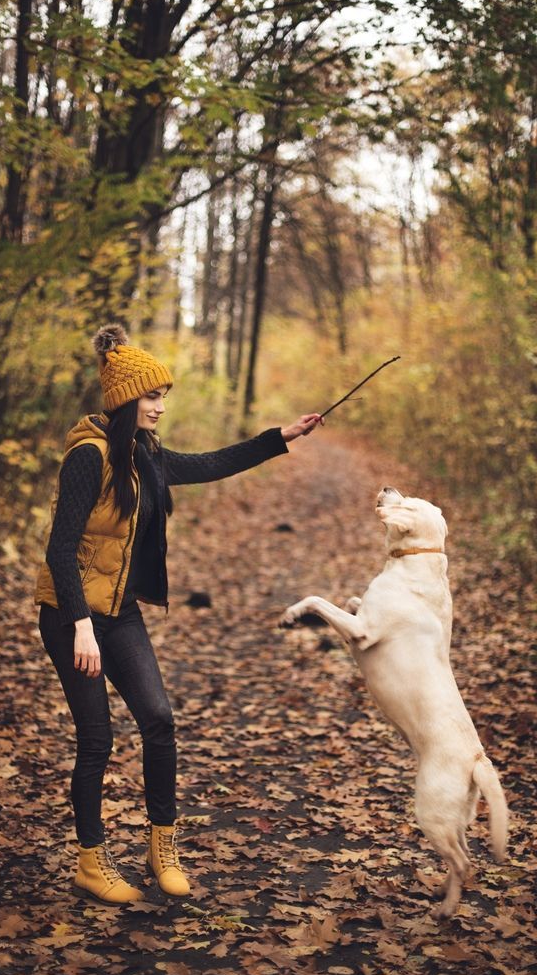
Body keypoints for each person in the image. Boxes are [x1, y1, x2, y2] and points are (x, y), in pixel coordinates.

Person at [34, 323, 323, 906]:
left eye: (163, 396)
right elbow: (60, 549)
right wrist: (82, 627)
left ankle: (161, 847)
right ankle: (91, 861)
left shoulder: (144, 454)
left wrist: (279, 437)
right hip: (72, 616)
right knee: (97, 741)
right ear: (124, 401)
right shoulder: (88, 457)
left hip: (118, 610)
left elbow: (209, 463)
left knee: (159, 719)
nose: (161, 407)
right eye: (152, 396)